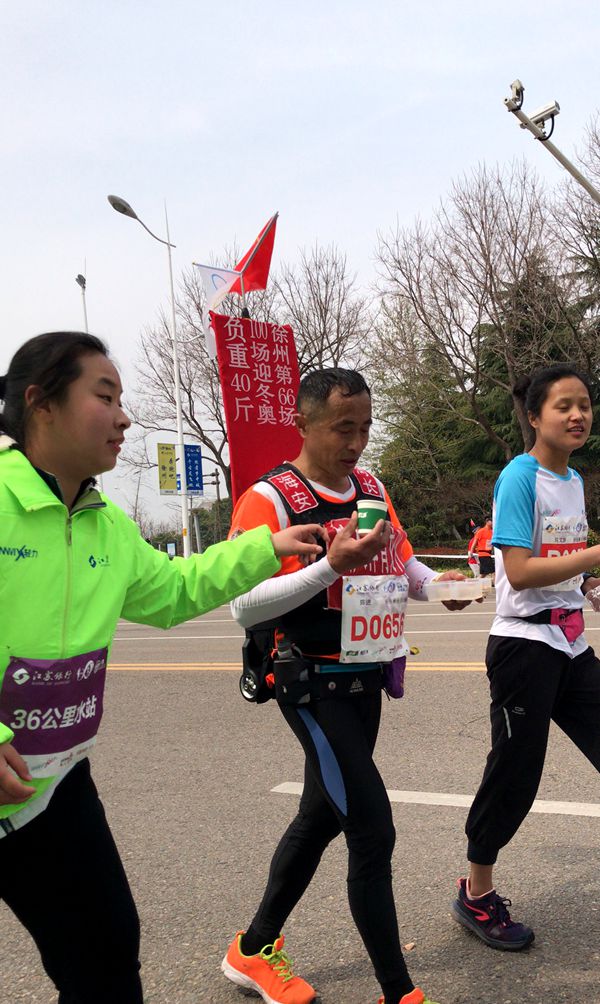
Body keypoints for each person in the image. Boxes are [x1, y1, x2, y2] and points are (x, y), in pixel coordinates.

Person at [0, 331, 326, 1004]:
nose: (124, 416)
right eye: (105, 396)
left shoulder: (104, 522)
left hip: (53, 786)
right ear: (41, 403)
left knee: (107, 954)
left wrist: (268, 546)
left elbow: (173, 592)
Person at [220, 368, 475, 1004]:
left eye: (364, 426)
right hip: (310, 682)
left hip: (367, 676)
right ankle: (400, 993)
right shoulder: (270, 499)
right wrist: (328, 566)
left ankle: (251, 950)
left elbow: (402, 560)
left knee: (320, 815)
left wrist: (440, 587)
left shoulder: (370, 486)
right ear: (302, 424)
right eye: (343, 428)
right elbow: (243, 607)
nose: (357, 441)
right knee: (370, 827)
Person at [452, 363, 600, 951]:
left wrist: (592, 586)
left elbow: (568, 569)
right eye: (563, 406)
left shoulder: (575, 480)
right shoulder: (520, 477)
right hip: (523, 646)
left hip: (571, 643)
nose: (577, 415)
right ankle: (476, 893)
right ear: (535, 417)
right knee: (515, 776)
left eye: (584, 404)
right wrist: (594, 554)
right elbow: (518, 570)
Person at [468, 517, 494, 582]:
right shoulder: (481, 531)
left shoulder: (492, 532)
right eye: (492, 521)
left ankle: (475, 583)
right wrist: (471, 551)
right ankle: (496, 586)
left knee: (484, 574)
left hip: (488, 554)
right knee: (494, 571)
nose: (493, 523)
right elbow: (475, 542)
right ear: (487, 522)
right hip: (483, 555)